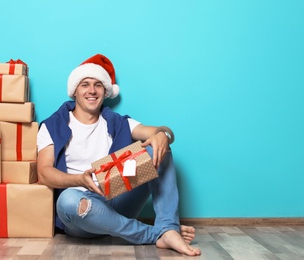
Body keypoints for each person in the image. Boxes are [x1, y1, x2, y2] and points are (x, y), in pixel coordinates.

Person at [37, 54, 201, 256]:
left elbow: (160, 131)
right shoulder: (52, 125)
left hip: (117, 197)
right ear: (74, 91)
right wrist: (79, 179)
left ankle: (167, 226)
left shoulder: (116, 121)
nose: (91, 91)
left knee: (157, 148)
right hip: (81, 210)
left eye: (98, 85)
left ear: (105, 91)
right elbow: (44, 173)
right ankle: (157, 234)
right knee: (68, 200)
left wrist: (164, 135)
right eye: (85, 84)